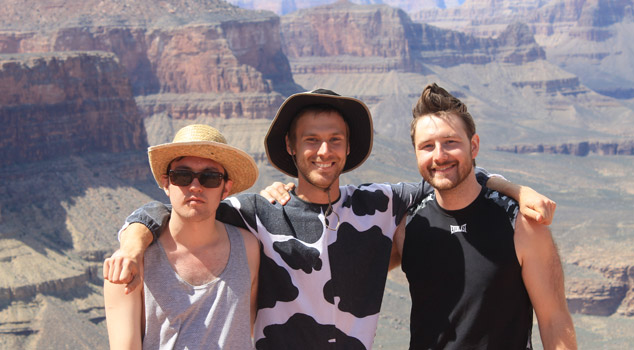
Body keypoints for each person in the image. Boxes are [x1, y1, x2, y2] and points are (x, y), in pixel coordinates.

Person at [104, 89, 555, 349]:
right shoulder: (257, 212)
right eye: (312, 140)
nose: (324, 150)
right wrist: (132, 242)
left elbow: (449, 175)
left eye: (335, 139)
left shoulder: (381, 204)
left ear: (347, 147)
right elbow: (177, 208)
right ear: (291, 148)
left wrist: (515, 189)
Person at [390, 83, 577, 349]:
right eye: (427, 146)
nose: (439, 156)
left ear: (473, 146)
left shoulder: (521, 225)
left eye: (450, 142)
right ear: (416, 154)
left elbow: (554, 321)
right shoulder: (407, 228)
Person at [103, 124, 260, 349]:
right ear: (166, 183)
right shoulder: (130, 263)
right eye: (183, 176)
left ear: (226, 188)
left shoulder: (249, 248)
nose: (195, 186)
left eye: (210, 177)